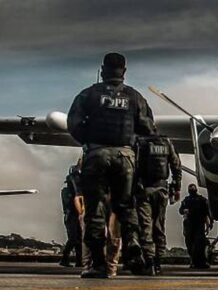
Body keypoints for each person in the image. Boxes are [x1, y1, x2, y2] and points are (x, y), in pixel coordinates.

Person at [67, 52, 156, 278]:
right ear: (124, 71)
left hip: (96, 153)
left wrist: (90, 140)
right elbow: (148, 129)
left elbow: (74, 124)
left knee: (95, 209)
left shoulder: (88, 94)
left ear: (103, 70)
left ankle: (98, 264)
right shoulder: (135, 97)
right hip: (125, 156)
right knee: (125, 206)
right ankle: (134, 248)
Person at [135, 133, 182, 275]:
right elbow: (176, 165)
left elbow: (134, 166)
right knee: (159, 226)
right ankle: (158, 263)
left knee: (145, 225)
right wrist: (177, 187)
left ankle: (149, 261)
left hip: (144, 190)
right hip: (162, 190)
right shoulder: (166, 142)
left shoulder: (139, 143)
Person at [180, 183, 212, 269]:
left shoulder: (202, 200)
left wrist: (209, 223)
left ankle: (202, 262)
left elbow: (207, 213)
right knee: (190, 244)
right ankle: (194, 261)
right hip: (189, 224)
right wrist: (184, 211)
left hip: (199, 224)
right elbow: (181, 211)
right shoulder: (186, 200)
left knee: (199, 244)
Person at [59, 160, 83, 267]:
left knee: (79, 239)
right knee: (74, 238)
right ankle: (65, 259)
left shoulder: (68, 191)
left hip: (74, 215)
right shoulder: (67, 192)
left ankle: (79, 260)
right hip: (71, 215)